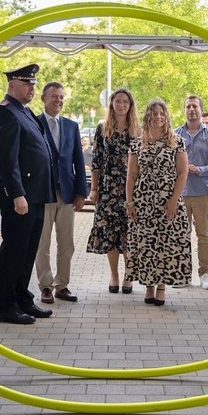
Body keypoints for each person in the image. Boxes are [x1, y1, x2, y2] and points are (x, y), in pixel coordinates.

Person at [0, 63, 55, 324]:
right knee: (14, 250)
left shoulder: (25, 112)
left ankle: (21, 298)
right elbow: (7, 160)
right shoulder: (4, 114)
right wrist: (17, 193)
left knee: (28, 251)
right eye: (27, 83)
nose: (31, 88)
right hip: (20, 196)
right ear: (12, 84)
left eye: (33, 84)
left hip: (35, 194)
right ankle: (5, 305)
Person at [126, 99, 191, 305]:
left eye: (162, 113)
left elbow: (183, 173)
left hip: (167, 202)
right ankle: (149, 286)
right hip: (143, 203)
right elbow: (131, 175)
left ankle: (161, 286)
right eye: (154, 113)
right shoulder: (137, 143)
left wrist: (173, 200)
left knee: (166, 244)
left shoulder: (176, 141)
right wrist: (130, 203)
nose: (159, 117)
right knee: (146, 245)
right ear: (148, 116)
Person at [35, 82, 87, 303]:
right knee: (42, 243)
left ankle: (62, 285)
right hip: (41, 192)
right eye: (54, 96)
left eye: (61, 97)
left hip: (66, 192)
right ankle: (45, 286)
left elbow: (78, 159)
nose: (58, 100)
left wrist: (80, 192)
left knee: (67, 243)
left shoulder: (71, 126)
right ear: (43, 99)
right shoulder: (33, 123)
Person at [86, 88, 139, 294]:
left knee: (128, 232)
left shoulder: (137, 129)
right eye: (118, 101)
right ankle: (114, 275)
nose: (122, 105)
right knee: (110, 233)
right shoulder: (102, 129)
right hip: (108, 187)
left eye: (125, 101)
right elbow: (96, 161)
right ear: (112, 104)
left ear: (130, 105)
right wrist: (94, 189)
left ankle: (128, 275)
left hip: (130, 188)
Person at [174, 95, 208, 290]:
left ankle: (205, 273)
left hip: (202, 191)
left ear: (201, 110)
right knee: (181, 234)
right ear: (184, 110)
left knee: (203, 235)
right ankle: (183, 274)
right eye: (188, 107)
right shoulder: (176, 134)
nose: (192, 110)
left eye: (195, 106)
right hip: (181, 192)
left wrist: (200, 170)